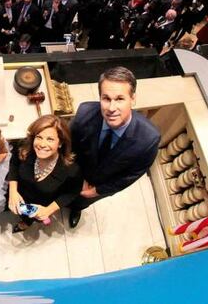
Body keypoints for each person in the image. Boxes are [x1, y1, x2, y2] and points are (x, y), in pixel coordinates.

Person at [68, 67, 161, 228]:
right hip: (76, 172)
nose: (111, 108)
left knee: (81, 201)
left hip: (101, 184)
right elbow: (68, 145)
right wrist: (74, 173)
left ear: (133, 99)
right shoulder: (85, 112)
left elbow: (133, 174)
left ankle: (77, 208)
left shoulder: (148, 139)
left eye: (119, 99)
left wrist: (97, 191)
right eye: (106, 99)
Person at [7, 114, 82, 233]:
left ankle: (27, 223)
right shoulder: (24, 148)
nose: (42, 144)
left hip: (42, 203)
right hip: (20, 193)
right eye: (39, 137)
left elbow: (72, 192)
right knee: (21, 213)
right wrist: (13, 191)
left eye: (50, 139)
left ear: (60, 143)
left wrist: (49, 210)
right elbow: (14, 164)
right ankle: (25, 220)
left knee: (33, 218)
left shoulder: (71, 170)